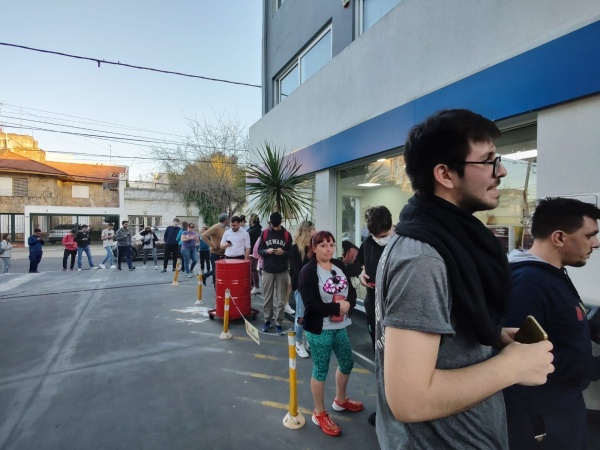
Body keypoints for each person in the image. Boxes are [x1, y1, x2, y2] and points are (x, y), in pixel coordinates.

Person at [374, 109, 555, 449]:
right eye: (487, 161)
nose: (501, 171)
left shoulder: (442, 238)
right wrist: (511, 367)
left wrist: (490, 336)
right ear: (445, 173)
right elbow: (409, 400)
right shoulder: (423, 259)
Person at [502, 197, 600, 450]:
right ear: (559, 238)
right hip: (542, 418)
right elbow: (521, 355)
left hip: (563, 407)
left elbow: (569, 321)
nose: (596, 244)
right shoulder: (528, 284)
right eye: (590, 236)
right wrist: (591, 366)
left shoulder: (552, 275)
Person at [298, 230, 363, 436]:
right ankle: (319, 413)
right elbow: (311, 304)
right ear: (314, 248)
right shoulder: (308, 271)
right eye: (323, 245)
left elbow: (350, 291)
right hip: (320, 329)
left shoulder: (339, 265)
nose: (328, 249)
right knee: (320, 370)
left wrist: (348, 304)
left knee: (347, 363)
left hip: (340, 326)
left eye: (331, 244)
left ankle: (340, 400)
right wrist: (337, 308)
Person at [357, 205, 393, 426]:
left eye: (382, 236)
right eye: (373, 236)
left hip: (395, 310)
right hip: (373, 307)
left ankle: (398, 410)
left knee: (397, 362)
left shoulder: (404, 243)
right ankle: (384, 409)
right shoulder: (368, 242)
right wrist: (362, 274)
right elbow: (362, 265)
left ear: (391, 227)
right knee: (379, 358)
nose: (378, 239)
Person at [258, 212, 293, 335]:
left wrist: (282, 253)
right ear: (271, 223)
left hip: (282, 270)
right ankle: (267, 321)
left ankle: (279, 323)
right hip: (268, 270)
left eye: (278, 226)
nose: (277, 228)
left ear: (281, 223)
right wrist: (267, 251)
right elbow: (259, 251)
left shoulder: (287, 235)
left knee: (281, 300)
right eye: (275, 226)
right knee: (267, 298)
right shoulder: (265, 233)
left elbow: (291, 253)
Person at [290, 220, 315, 358]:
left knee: (311, 314)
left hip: (314, 287)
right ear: (307, 231)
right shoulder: (295, 249)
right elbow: (299, 270)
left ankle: (307, 340)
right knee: (301, 315)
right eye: (312, 228)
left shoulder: (314, 247)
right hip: (302, 286)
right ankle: (298, 342)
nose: (315, 230)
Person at [201, 213, 229, 286]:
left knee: (220, 271)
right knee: (216, 271)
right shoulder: (216, 227)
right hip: (216, 253)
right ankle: (216, 289)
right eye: (228, 219)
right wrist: (212, 245)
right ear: (225, 220)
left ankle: (205, 276)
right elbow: (203, 236)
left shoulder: (226, 228)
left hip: (224, 253)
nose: (228, 221)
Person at [247, 214, 262, 294]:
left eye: (251, 218)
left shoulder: (256, 229)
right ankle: (252, 285)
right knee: (251, 269)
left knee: (253, 269)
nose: (250, 220)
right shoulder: (252, 228)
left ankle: (256, 286)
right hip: (250, 251)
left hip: (253, 251)